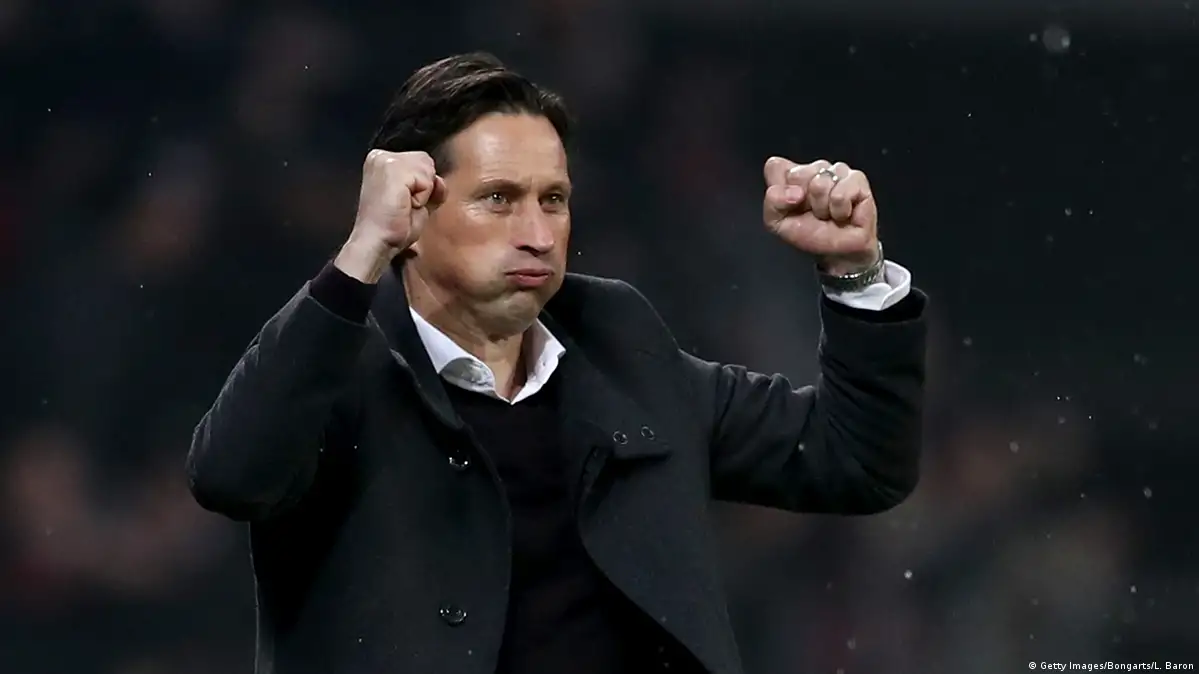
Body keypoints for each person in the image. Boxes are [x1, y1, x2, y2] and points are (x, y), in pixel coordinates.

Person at [187, 52, 927, 674]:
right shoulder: (334, 364)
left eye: (554, 199)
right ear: (409, 215)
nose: (538, 234)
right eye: (498, 199)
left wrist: (854, 273)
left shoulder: (617, 344)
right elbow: (231, 475)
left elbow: (853, 460)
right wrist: (359, 253)